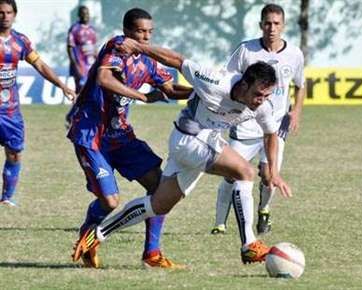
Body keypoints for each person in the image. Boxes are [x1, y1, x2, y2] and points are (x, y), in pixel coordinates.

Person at [71, 38, 293, 267]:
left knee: (158, 204)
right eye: (259, 94)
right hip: (187, 138)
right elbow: (177, 60)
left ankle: (96, 235)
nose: (262, 101)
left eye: (267, 96)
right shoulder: (215, 81)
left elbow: (270, 135)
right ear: (244, 84)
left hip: (204, 142)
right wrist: (138, 48)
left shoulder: (263, 106)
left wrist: (274, 172)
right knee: (245, 171)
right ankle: (249, 245)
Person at [67, 8, 192, 269]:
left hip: (121, 136)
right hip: (91, 135)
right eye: (140, 31)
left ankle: (152, 254)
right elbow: (103, 79)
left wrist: (203, 92)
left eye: (149, 32)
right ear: (127, 32)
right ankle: (88, 234)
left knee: (161, 189)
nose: (145, 37)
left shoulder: (148, 62)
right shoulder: (117, 46)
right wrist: (143, 97)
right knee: (110, 201)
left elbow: (170, 89)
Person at [212, 3, 305, 235]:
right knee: (230, 173)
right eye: (267, 23)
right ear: (260, 25)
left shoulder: (294, 54)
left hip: (275, 124)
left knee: (267, 174)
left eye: (276, 24)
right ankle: (219, 223)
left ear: (283, 26)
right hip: (244, 122)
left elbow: (301, 85)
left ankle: (264, 211)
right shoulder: (246, 50)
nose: (271, 28)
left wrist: (296, 111)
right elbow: (228, 77)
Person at [0, 0, 75, 206]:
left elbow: (40, 64)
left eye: (8, 12)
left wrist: (62, 85)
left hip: (10, 111)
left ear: (14, 15)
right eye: (1, 12)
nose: (4, 16)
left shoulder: (21, 42)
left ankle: (6, 198)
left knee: (14, 153)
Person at [67, 5, 97, 94]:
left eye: (87, 14)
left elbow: (94, 47)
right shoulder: (75, 28)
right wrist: (74, 63)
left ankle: (88, 107)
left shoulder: (92, 29)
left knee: (92, 89)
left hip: (91, 63)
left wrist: (98, 60)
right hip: (80, 63)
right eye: (83, 14)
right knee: (81, 88)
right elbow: (69, 47)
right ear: (79, 15)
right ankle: (78, 107)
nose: (85, 16)